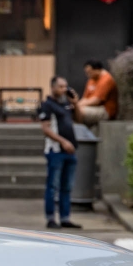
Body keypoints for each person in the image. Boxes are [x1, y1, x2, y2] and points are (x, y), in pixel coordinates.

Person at [39, 76, 81, 230]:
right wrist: (63, 141)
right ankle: (51, 218)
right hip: (55, 151)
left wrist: (75, 103)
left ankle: (65, 218)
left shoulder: (67, 105)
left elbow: (80, 119)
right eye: (61, 87)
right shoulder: (47, 105)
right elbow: (45, 128)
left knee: (67, 187)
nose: (64, 89)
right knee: (53, 186)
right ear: (53, 88)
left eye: (66, 86)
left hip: (70, 151)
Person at [76, 59, 118, 126]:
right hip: (91, 108)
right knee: (73, 111)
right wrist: (76, 105)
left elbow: (96, 101)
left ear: (97, 70)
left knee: (78, 112)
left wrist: (77, 106)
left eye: (89, 72)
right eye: (86, 73)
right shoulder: (92, 79)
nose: (88, 75)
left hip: (105, 110)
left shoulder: (106, 80)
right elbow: (85, 98)